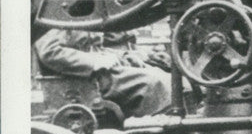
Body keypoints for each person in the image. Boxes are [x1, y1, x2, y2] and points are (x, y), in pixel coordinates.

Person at [35, 28, 172, 118]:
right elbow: (49, 51)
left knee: (167, 77)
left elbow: (92, 47)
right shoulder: (58, 10)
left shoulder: (82, 7)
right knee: (154, 83)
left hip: (96, 75)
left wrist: (124, 56)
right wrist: (93, 61)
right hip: (82, 80)